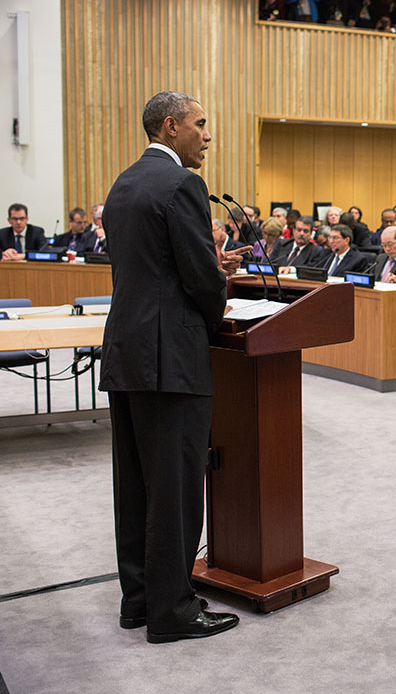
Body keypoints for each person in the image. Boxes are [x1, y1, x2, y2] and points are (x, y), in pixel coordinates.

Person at [100, 91, 246, 643]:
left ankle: (138, 600)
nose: (207, 135)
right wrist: (218, 295)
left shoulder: (125, 181)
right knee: (176, 485)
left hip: (127, 350)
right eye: (200, 125)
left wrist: (205, 260)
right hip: (172, 355)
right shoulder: (184, 183)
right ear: (171, 127)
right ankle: (173, 612)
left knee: (135, 482)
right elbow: (197, 281)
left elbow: (153, 263)